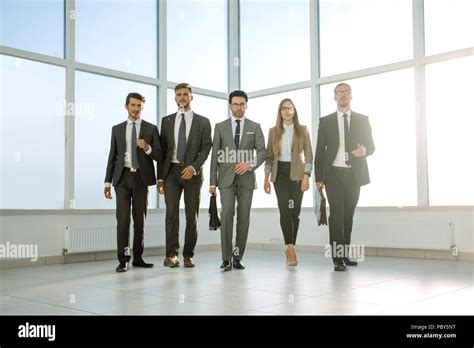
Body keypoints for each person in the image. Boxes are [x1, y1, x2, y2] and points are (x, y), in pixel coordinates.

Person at [314, 83, 375, 271]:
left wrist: (363, 150)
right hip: (333, 174)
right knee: (336, 216)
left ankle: (345, 254)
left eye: (346, 92)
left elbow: (371, 147)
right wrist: (319, 177)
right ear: (334, 97)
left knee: (348, 216)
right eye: (339, 93)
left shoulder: (362, 120)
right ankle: (336, 258)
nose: (343, 95)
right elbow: (319, 152)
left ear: (351, 96)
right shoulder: (325, 121)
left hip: (353, 176)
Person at [104, 92, 162, 273]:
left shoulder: (151, 129)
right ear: (126, 106)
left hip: (141, 178)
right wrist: (107, 182)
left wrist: (147, 147)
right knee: (122, 221)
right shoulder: (117, 129)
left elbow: (160, 155)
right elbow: (112, 156)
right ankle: (123, 259)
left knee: (140, 220)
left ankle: (138, 257)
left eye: (139, 106)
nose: (136, 109)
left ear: (142, 107)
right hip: (121, 178)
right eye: (133, 105)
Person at [209, 90, 266, 271]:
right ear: (230, 105)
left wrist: (249, 164)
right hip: (225, 179)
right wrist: (212, 182)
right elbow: (214, 156)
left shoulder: (255, 126)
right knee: (226, 216)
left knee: (243, 218)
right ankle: (225, 258)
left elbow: (263, 152)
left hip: (247, 180)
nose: (238, 107)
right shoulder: (219, 127)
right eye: (235, 104)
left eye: (242, 104)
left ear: (246, 106)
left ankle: (237, 257)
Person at [157, 83, 212, 268]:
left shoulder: (203, 122)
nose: (182, 97)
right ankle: (171, 254)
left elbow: (206, 148)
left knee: (191, 216)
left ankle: (188, 255)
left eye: (185, 94)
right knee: (171, 214)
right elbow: (162, 151)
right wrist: (160, 178)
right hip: (171, 172)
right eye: (179, 94)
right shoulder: (166, 121)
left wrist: (194, 167)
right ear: (174, 98)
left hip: (193, 174)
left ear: (191, 97)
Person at [264, 98, 313, 266]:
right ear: (280, 112)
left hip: (298, 173)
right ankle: (290, 248)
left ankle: (292, 245)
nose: (287, 111)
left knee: (295, 213)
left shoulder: (302, 130)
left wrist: (307, 175)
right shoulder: (273, 131)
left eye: (290, 108)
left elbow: (308, 155)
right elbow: (269, 156)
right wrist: (266, 179)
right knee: (285, 210)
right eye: (284, 108)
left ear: (294, 111)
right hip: (280, 174)